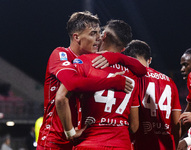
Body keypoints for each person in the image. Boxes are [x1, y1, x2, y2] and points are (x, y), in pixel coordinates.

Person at [37, 11, 146, 150]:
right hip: (55, 139)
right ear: (76, 37)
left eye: (98, 33)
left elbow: (142, 70)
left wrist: (117, 57)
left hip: (79, 139)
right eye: (93, 34)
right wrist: (113, 82)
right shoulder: (61, 54)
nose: (99, 38)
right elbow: (73, 84)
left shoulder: (90, 63)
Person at [125, 40, 181, 150]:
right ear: (149, 60)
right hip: (166, 146)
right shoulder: (169, 81)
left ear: (127, 59)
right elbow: (176, 123)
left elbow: (132, 125)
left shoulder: (131, 79)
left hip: (138, 145)